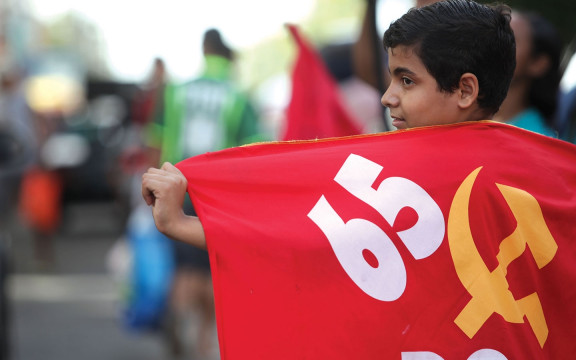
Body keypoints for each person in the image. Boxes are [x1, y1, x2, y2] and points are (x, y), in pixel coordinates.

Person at [141, 0, 515, 250]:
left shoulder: (408, 185)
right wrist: (182, 221)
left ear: (466, 90)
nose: (387, 98)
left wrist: (181, 223)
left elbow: (305, 242)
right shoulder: (527, 181)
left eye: (407, 80)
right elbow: (301, 235)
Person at [156, 28, 263, 359]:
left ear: (204, 51)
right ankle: (202, 341)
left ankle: (180, 316)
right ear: (227, 57)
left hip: (174, 185)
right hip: (216, 195)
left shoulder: (175, 92)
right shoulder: (239, 96)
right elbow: (256, 151)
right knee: (211, 271)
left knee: (181, 268)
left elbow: (153, 139)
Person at [493, 11, 562, 137]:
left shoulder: (537, 139)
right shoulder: (457, 112)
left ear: (538, 63)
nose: (492, 45)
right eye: (492, 35)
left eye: (508, 38)